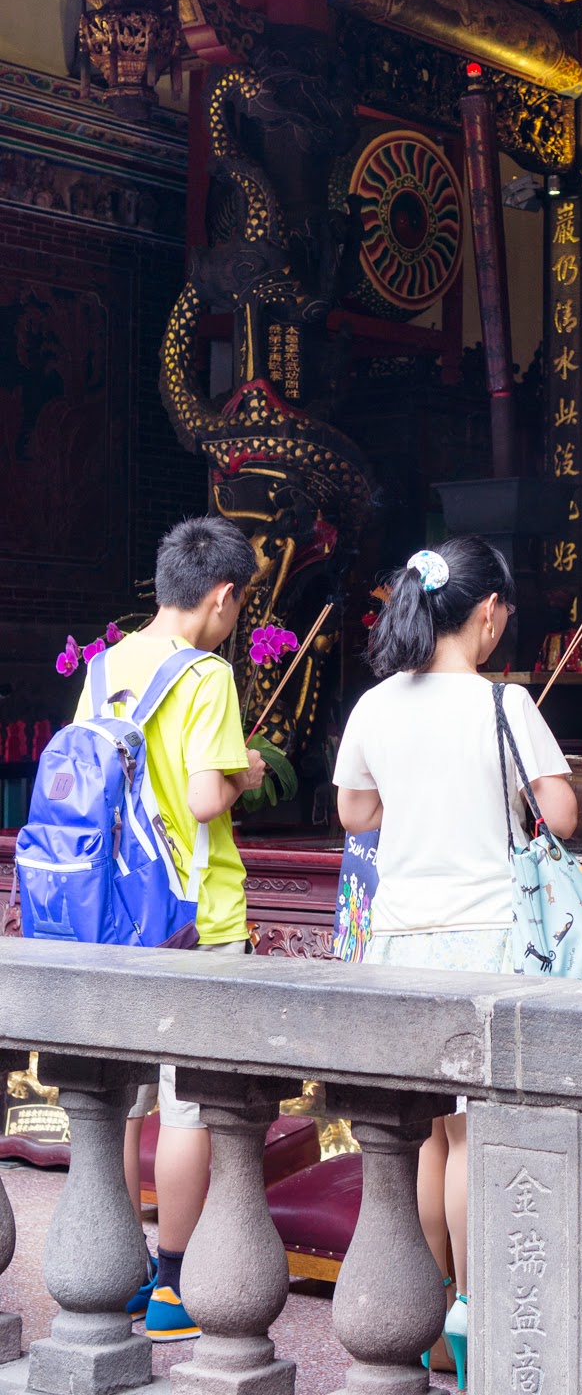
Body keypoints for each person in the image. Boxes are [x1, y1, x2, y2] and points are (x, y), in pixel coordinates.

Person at [333, 535, 576, 1391]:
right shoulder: (504, 704)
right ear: (488, 613)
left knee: (426, 1133)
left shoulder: (375, 705)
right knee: (474, 1133)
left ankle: (427, 1313)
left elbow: (355, 813)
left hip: (398, 943)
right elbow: (560, 815)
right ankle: (474, 1311)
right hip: (487, 939)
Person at [74, 516, 266, 1342]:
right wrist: (244, 771)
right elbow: (201, 798)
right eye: (239, 604)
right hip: (194, 913)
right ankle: (174, 1288)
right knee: (188, 1108)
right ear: (222, 596)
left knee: (124, 1104)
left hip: (112, 914)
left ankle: (116, 1271)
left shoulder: (102, 667)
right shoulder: (207, 674)